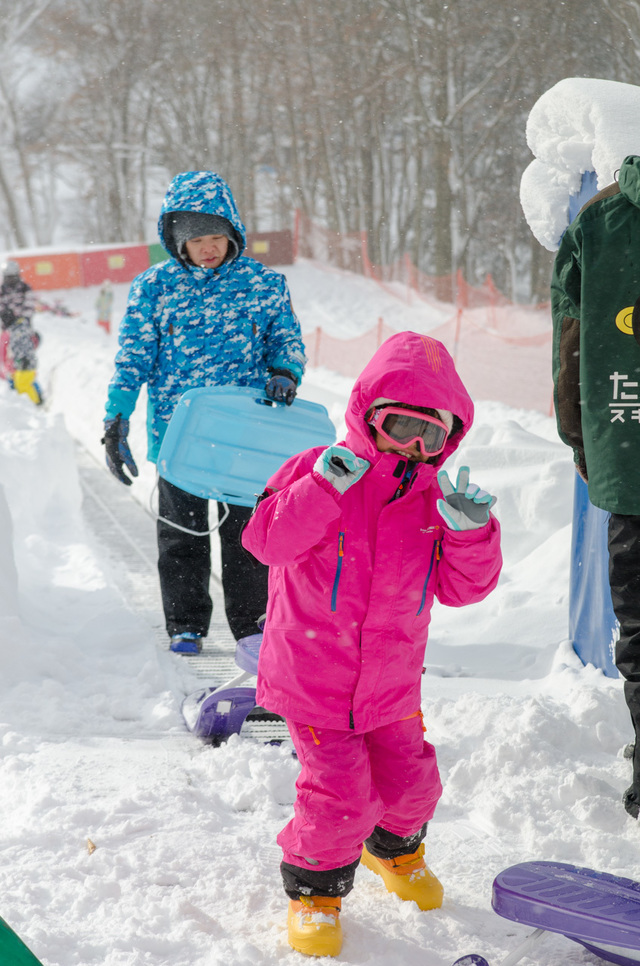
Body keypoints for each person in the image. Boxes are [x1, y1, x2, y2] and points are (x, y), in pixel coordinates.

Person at [242, 330, 502, 957]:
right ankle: (316, 893)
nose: (412, 446)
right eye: (398, 425)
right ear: (367, 415)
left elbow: (463, 592)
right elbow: (265, 543)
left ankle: (395, 853)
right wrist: (322, 488)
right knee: (339, 799)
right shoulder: (315, 470)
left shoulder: (434, 501)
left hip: (391, 685)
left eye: (430, 435)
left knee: (414, 786)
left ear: (449, 440)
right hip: (314, 679)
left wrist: (471, 534)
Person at [102, 171, 306, 654]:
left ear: (232, 231)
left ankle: (252, 626)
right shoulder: (154, 287)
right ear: (177, 240)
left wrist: (285, 371)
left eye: (217, 235)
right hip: (180, 436)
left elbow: (286, 339)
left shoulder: (263, 283)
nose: (209, 247)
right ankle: (186, 624)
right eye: (197, 239)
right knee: (182, 536)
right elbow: (133, 358)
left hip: (247, 436)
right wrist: (116, 419)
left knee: (248, 537)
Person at [551, 153, 640, 821]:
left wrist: (586, 442)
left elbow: (571, 340)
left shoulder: (602, 219)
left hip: (630, 460)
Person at [0, 260, 42, 405]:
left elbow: (29, 306)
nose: (10, 280)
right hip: (7, 328)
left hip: (23, 327)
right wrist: (6, 315)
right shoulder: (2, 289)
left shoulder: (24, 288)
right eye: (8, 277)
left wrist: (21, 319)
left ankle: (35, 397)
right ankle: (13, 391)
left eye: (13, 277)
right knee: (7, 360)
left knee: (23, 362)